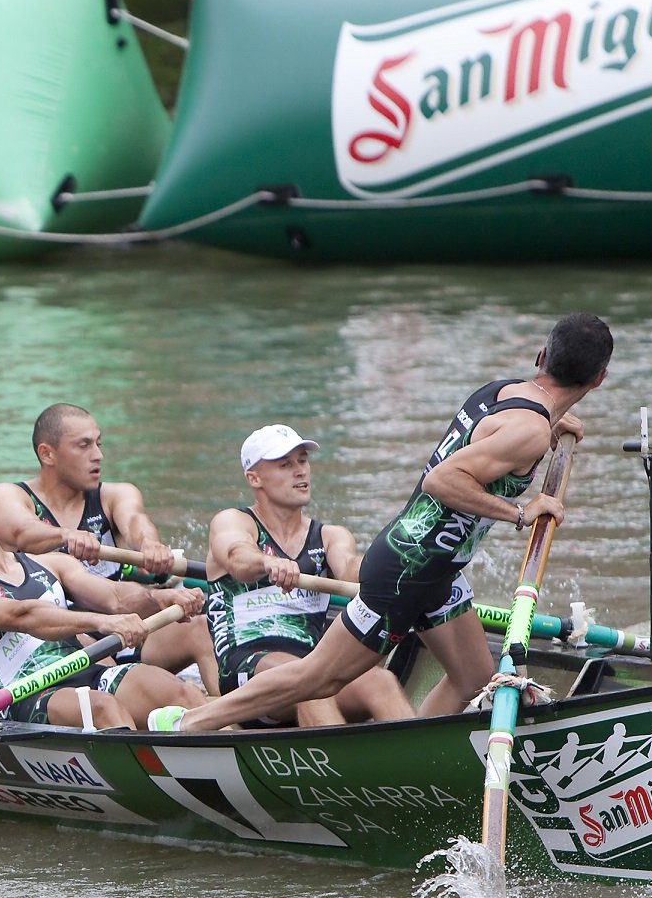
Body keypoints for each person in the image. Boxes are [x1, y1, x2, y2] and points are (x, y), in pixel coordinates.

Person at [160, 314, 612, 733]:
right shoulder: (529, 429)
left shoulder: (504, 393)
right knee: (317, 678)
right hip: (405, 570)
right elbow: (442, 479)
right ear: (598, 378)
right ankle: (190, 725)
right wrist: (520, 512)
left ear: (541, 357)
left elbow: (505, 438)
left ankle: (415, 763)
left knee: (474, 678)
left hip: (440, 570)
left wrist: (553, 425)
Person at [0, 478, 206, 730]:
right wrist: (99, 622)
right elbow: (22, 615)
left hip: (83, 674)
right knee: (102, 708)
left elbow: (115, 597)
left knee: (182, 694)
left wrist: (162, 598)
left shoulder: (51, 564)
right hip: (22, 700)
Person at [0, 403, 214, 690]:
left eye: (98, 443)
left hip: (124, 626)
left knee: (200, 628)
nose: (98, 455)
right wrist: (66, 536)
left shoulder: (114, 495)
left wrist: (150, 545)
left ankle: (230, 717)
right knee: (101, 662)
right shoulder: (10, 495)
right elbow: (21, 531)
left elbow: (135, 521)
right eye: (83, 445)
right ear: (47, 454)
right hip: (58, 636)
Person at [203, 424, 413, 729]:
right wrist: (268, 562)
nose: (300, 472)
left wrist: (398, 561)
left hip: (313, 668)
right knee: (308, 682)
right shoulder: (234, 521)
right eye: (285, 465)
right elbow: (238, 558)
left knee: (380, 680)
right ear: (254, 478)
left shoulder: (329, 536)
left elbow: (353, 574)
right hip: (246, 670)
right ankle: (342, 771)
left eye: (302, 461)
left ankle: (421, 766)